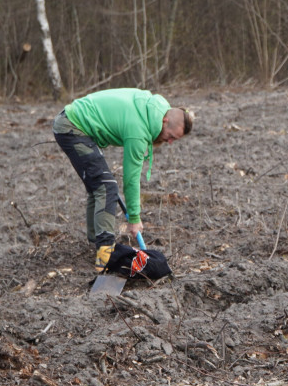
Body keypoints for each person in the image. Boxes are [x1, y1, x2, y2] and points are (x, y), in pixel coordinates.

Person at [53, 88, 192, 271]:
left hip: (74, 120)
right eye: (171, 136)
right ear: (165, 121)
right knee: (106, 187)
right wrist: (134, 218)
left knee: (99, 186)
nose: (170, 142)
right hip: (73, 126)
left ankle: (95, 242)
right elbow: (131, 179)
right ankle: (105, 255)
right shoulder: (139, 131)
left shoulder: (156, 108)